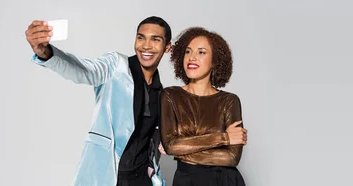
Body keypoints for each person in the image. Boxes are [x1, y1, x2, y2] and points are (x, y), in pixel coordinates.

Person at [25, 16, 172, 186]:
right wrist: (46, 53)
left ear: (167, 47)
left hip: (141, 179)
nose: (146, 45)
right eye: (141, 37)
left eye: (155, 39)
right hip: (107, 176)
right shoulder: (115, 66)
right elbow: (84, 70)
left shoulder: (161, 93)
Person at [159, 27, 248, 186]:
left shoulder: (229, 101)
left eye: (201, 52)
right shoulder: (170, 96)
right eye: (187, 51)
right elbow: (171, 146)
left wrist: (182, 151)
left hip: (224, 180)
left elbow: (232, 158)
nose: (191, 57)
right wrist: (224, 138)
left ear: (215, 61)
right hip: (186, 179)